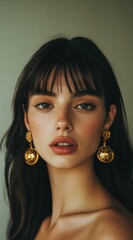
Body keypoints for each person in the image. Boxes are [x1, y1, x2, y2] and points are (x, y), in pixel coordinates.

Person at [1, 36, 133, 240]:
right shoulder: (36, 224)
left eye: (83, 105)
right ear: (27, 118)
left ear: (108, 118)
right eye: (45, 105)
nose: (63, 122)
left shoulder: (113, 232)